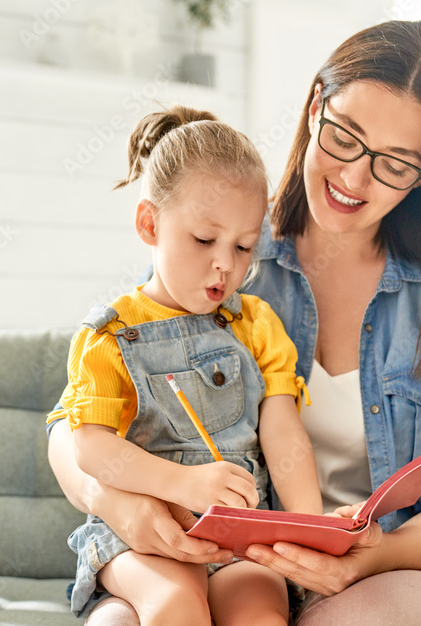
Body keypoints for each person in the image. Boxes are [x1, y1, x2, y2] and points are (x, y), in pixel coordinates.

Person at [48, 19, 421, 626]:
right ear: (316, 106)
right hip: (211, 550)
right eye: (345, 136)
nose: (353, 178)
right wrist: (121, 507)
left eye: (394, 163)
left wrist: (368, 556)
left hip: (383, 569)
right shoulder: (228, 253)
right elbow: (71, 432)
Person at [47, 105, 323, 625]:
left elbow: (284, 430)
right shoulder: (107, 337)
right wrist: (186, 486)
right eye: (204, 240)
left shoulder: (258, 324)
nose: (226, 264)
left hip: (241, 537)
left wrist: (310, 525)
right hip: (141, 538)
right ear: (149, 224)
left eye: (244, 247)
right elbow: (90, 447)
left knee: (262, 614)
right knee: (178, 606)